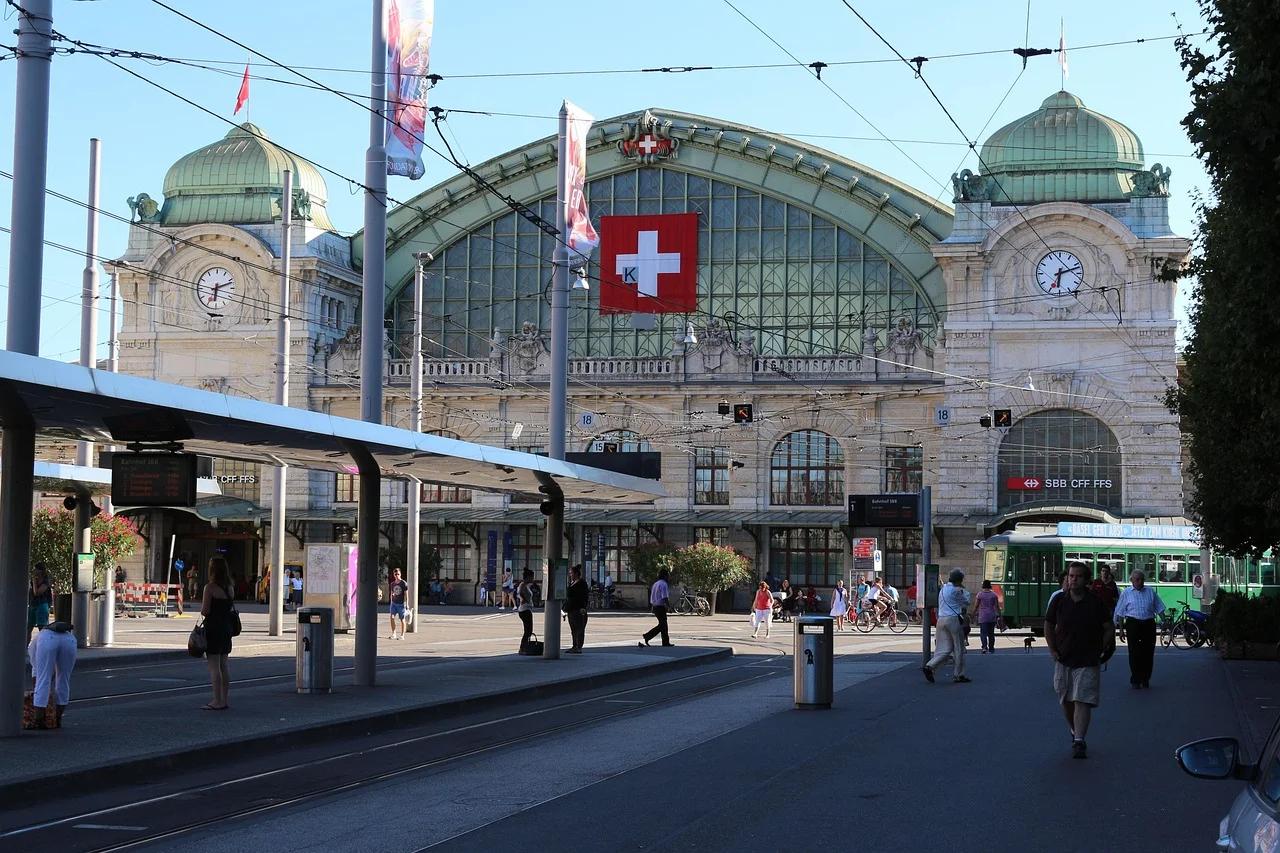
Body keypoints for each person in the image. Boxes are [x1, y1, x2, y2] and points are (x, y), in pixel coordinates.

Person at [1044, 561, 1116, 759]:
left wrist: (1100, 647)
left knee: (1081, 699)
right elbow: (1048, 625)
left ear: (1086, 580)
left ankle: (1079, 741)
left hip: (1087, 658)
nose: (1073, 579)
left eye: (1077, 576)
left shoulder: (1095, 602)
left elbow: (1109, 627)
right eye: (1070, 576)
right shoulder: (1059, 600)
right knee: (1066, 700)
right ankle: (1074, 730)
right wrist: (1052, 649)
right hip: (1064, 657)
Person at [1113, 569, 1166, 689]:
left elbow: (1159, 607)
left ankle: (1145, 678)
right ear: (1131, 580)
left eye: (1142, 579)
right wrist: (1121, 629)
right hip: (1133, 623)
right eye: (1137, 579)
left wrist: (1164, 621)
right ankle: (1135, 679)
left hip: (1148, 623)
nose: (1140, 582)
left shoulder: (1150, 591)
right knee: (1134, 652)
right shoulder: (1126, 593)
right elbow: (1120, 612)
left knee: (1148, 652)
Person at [924, 569, 972, 684]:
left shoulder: (943, 589)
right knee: (958, 647)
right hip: (953, 620)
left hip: (941, 620)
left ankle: (930, 665)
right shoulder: (957, 590)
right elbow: (966, 602)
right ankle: (958, 674)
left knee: (944, 648)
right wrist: (962, 588)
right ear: (959, 580)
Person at [26, 620, 76, 729]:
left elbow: (37, 675)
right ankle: (57, 719)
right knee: (63, 679)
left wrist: (37, 693)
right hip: (69, 640)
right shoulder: (40, 637)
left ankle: (39, 720)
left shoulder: (33, 647)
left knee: (43, 680)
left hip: (47, 639)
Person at [200, 556, 235, 711]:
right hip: (227, 628)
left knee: (214, 666)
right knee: (224, 665)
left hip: (213, 628)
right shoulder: (230, 587)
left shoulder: (210, 587)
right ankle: (224, 699)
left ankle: (217, 700)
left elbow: (205, 610)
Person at [640, 568, 672, 647]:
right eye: (667, 575)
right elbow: (664, 597)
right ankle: (648, 636)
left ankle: (665, 642)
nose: (668, 577)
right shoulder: (664, 584)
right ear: (665, 576)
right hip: (660, 607)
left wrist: (652, 606)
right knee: (663, 625)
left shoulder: (656, 584)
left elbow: (653, 596)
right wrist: (669, 606)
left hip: (655, 606)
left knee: (663, 624)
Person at [563, 564, 589, 653]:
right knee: (573, 629)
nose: (570, 575)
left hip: (579, 609)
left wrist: (583, 607)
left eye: (572, 573)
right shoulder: (571, 583)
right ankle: (574, 645)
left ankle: (578, 647)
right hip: (571, 609)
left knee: (579, 628)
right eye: (570, 573)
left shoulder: (582, 583)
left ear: (577, 574)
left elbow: (584, 596)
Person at [973, 579, 1002, 654]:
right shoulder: (994, 595)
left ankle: (984, 647)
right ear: (990, 585)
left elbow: (976, 606)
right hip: (992, 616)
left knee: (983, 633)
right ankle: (991, 648)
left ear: (983, 586)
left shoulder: (980, 594)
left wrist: (973, 614)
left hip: (983, 616)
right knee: (991, 633)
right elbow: (996, 606)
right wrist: (999, 615)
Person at [27, 563, 52, 642]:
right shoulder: (33, 580)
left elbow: (37, 593)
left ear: (41, 571)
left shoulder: (45, 582)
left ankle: (43, 646)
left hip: (42, 605)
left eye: (36, 569)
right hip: (32, 605)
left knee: (42, 628)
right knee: (28, 627)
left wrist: (34, 581)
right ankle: (25, 647)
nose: (34, 571)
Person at [388, 568, 409, 640]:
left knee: (402, 619)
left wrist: (406, 604)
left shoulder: (403, 583)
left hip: (401, 604)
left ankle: (402, 635)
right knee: (392, 617)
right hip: (394, 603)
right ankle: (394, 633)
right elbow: (391, 593)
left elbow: (406, 594)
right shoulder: (392, 584)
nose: (397, 575)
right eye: (395, 574)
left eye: (398, 574)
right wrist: (391, 601)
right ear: (394, 575)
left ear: (400, 574)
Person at [516, 569, 536, 648]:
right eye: (532, 577)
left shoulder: (526, 585)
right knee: (528, 630)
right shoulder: (522, 584)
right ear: (528, 577)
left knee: (528, 630)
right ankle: (523, 646)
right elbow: (519, 593)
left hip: (527, 609)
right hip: (525, 610)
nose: (533, 579)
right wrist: (522, 599)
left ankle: (525, 646)